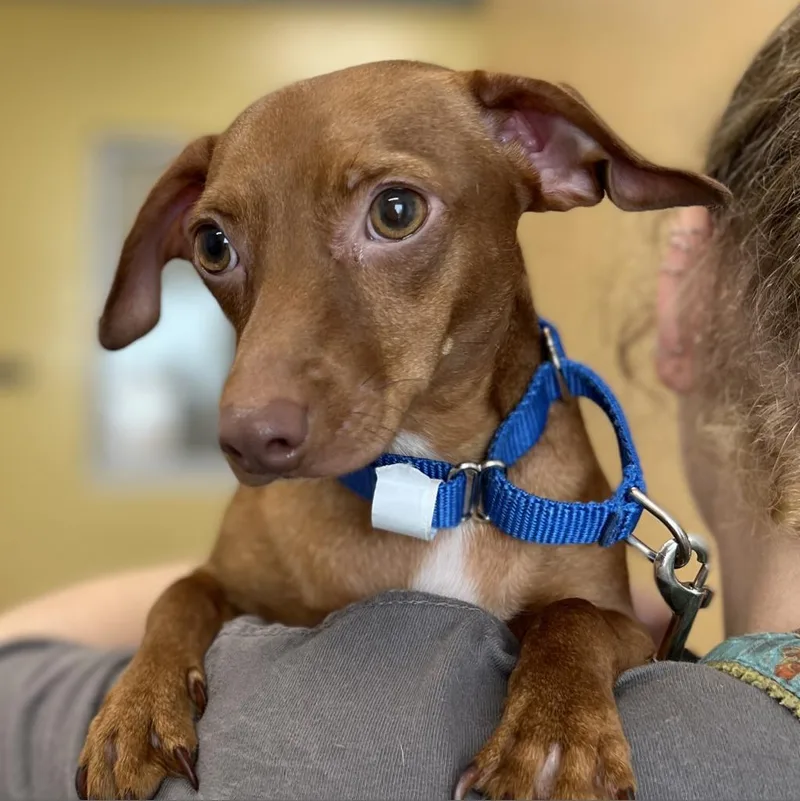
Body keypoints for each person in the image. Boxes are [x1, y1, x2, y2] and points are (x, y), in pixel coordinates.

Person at [5, 6, 800, 798]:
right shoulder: (291, 515)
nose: (252, 406)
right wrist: (166, 641)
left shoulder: (565, 497)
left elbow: (611, 623)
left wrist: (574, 652)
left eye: (394, 211)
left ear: (542, 152)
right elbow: (213, 585)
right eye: (220, 248)